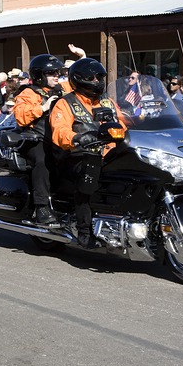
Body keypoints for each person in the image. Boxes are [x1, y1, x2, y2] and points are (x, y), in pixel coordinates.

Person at [49, 57, 125, 248]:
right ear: (79, 79)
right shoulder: (65, 103)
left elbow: (124, 122)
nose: (97, 82)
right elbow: (59, 130)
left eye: (100, 77)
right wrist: (77, 138)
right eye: (92, 78)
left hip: (109, 154)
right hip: (76, 155)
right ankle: (84, 229)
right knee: (90, 171)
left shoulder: (107, 102)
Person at [14, 54, 66, 226]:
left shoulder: (61, 89)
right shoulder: (28, 93)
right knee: (44, 160)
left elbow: (80, 83)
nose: (56, 76)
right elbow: (20, 116)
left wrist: (83, 58)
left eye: (57, 72)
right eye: (51, 73)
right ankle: (42, 206)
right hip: (35, 139)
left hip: (59, 138)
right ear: (39, 75)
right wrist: (42, 107)